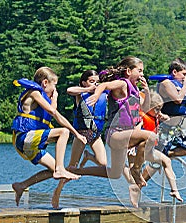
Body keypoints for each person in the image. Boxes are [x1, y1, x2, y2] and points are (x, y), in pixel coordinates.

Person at [68, 56, 159, 208]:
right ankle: (136, 171)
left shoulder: (135, 89)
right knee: (151, 136)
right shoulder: (123, 83)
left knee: (115, 173)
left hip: (125, 136)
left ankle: (77, 170)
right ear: (128, 71)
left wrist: (147, 92)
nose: (142, 74)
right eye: (140, 71)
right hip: (116, 133)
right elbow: (104, 85)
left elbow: (145, 108)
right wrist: (96, 94)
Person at [11, 67, 87, 206]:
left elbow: (59, 117)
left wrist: (77, 134)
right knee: (63, 132)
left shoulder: (43, 98)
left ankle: (21, 185)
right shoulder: (34, 92)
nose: (55, 90)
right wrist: (55, 99)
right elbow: (53, 110)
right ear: (45, 82)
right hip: (24, 137)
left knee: (52, 170)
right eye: (55, 86)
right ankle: (60, 168)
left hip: (31, 143)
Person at [52, 70, 108, 209]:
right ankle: (57, 192)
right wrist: (88, 89)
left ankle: (89, 156)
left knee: (104, 164)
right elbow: (69, 90)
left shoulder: (102, 94)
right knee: (72, 167)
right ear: (84, 82)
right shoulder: (80, 94)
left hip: (96, 135)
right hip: (81, 134)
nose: (95, 84)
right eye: (91, 81)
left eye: (97, 81)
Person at [128, 92, 183, 206]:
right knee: (135, 172)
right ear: (149, 107)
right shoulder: (143, 117)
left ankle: (174, 190)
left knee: (167, 161)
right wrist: (132, 147)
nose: (159, 112)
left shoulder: (155, 116)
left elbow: (167, 120)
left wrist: (165, 117)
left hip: (149, 150)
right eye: (156, 109)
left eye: (160, 109)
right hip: (138, 149)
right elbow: (136, 131)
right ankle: (134, 195)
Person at [157, 58, 186, 157]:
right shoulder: (166, 83)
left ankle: (167, 154)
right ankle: (162, 156)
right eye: (184, 74)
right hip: (164, 128)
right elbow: (178, 100)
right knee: (156, 164)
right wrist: (185, 85)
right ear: (174, 72)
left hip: (176, 128)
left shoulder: (179, 86)